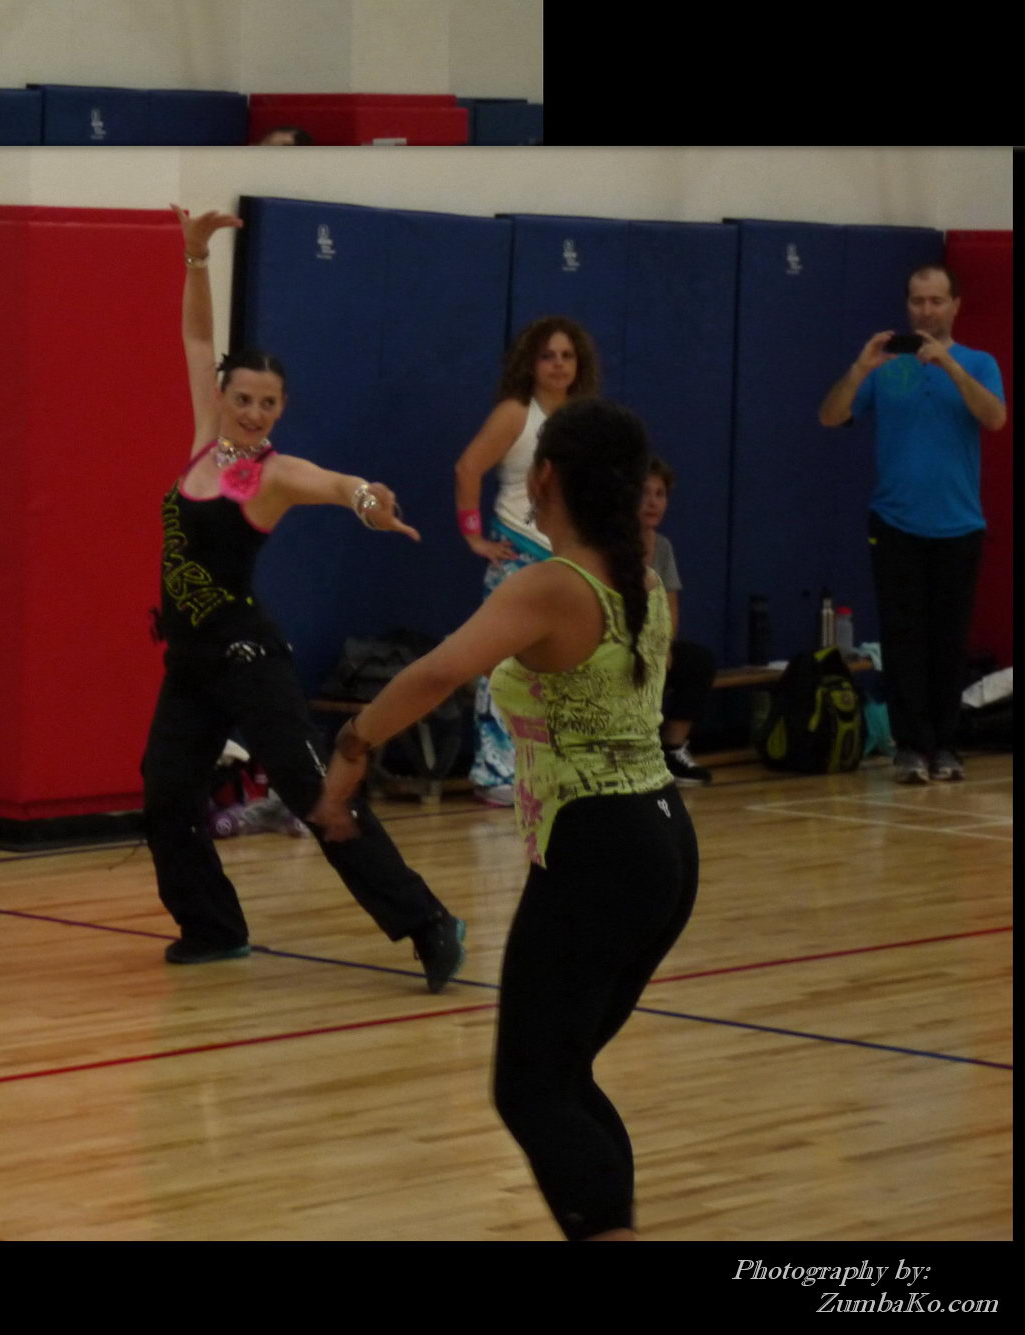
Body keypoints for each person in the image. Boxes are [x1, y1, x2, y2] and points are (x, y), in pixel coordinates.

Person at [313, 396, 697, 1242]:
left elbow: (436, 673)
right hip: (664, 841)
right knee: (561, 1076)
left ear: (545, 477)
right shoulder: (638, 581)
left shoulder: (554, 586)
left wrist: (353, 746)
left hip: (602, 848)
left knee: (532, 1088)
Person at [143, 206, 464, 988]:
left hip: (248, 659)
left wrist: (369, 502)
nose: (254, 412)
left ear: (281, 409)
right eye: (244, 398)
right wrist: (194, 257)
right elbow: (195, 339)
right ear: (224, 395)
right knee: (166, 791)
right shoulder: (203, 443)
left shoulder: (273, 474)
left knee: (320, 797)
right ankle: (213, 927)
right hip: (191, 662)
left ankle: (428, 922)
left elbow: (339, 484)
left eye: (269, 403)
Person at [816, 263, 1007, 784]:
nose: (926, 310)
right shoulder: (884, 368)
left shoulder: (979, 362)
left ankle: (945, 745)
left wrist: (951, 367)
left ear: (955, 306)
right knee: (903, 639)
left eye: (936, 301)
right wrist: (859, 370)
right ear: (907, 306)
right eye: (918, 301)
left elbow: (994, 418)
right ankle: (909, 747)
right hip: (895, 521)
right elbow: (830, 415)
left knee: (948, 639)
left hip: (959, 524)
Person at [452, 316, 601, 806]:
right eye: (548, 356)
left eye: (567, 356)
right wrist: (474, 536)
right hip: (518, 550)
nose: (558, 365)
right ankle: (495, 771)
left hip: (569, 556)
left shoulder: (584, 417)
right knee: (502, 662)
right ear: (530, 363)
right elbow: (468, 467)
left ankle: (553, 766)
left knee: (564, 663)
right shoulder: (515, 413)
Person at [640, 456, 716, 786]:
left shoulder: (663, 547)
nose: (653, 502)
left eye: (660, 494)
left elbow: (670, 603)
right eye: (644, 493)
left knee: (697, 661)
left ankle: (672, 748)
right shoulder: (611, 546)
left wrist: (664, 645)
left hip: (653, 644)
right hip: (619, 645)